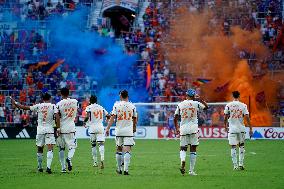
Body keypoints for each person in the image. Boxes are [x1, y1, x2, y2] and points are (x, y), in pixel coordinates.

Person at [10, 93, 58, 174]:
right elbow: (57, 116)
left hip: (40, 130)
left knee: (40, 148)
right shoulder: (53, 106)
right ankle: (48, 168)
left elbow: (24, 108)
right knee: (50, 148)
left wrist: (16, 103)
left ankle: (40, 167)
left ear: (42, 98)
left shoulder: (38, 106)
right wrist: (58, 127)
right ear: (50, 98)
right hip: (49, 129)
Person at [174, 89, 208, 176]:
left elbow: (175, 117)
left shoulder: (180, 104)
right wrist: (200, 100)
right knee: (193, 149)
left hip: (183, 128)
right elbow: (206, 107)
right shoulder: (196, 103)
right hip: (193, 128)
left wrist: (177, 127)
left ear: (186, 95)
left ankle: (183, 161)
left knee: (183, 148)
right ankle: (191, 171)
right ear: (193, 96)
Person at [105, 90, 138, 175]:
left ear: (120, 96)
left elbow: (112, 117)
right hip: (128, 130)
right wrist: (134, 128)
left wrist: (108, 128)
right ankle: (126, 170)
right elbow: (135, 118)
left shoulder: (116, 105)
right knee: (128, 149)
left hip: (119, 130)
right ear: (128, 96)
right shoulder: (132, 106)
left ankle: (119, 169)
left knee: (119, 148)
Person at [224, 91, 253, 170]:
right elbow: (247, 117)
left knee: (233, 147)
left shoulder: (228, 105)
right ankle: (241, 164)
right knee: (241, 145)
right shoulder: (243, 105)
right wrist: (250, 128)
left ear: (232, 96)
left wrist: (225, 126)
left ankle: (235, 166)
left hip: (232, 129)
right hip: (241, 128)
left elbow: (225, 117)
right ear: (239, 96)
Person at [83, 95, 109, 169]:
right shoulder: (101, 107)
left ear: (90, 101)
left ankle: (95, 162)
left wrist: (84, 122)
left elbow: (87, 116)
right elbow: (108, 115)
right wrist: (106, 120)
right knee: (101, 144)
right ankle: (102, 159)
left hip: (92, 127)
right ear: (96, 100)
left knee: (93, 145)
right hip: (100, 127)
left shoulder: (89, 107)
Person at [56, 87, 78, 173]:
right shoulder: (75, 101)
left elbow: (57, 116)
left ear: (61, 94)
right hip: (71, 127)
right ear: (69, 93)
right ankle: (69, 158)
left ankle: (63, 168)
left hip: (61, 128)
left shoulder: (58, 104)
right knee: (73, 146)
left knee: (61, 148)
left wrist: (57, 128)